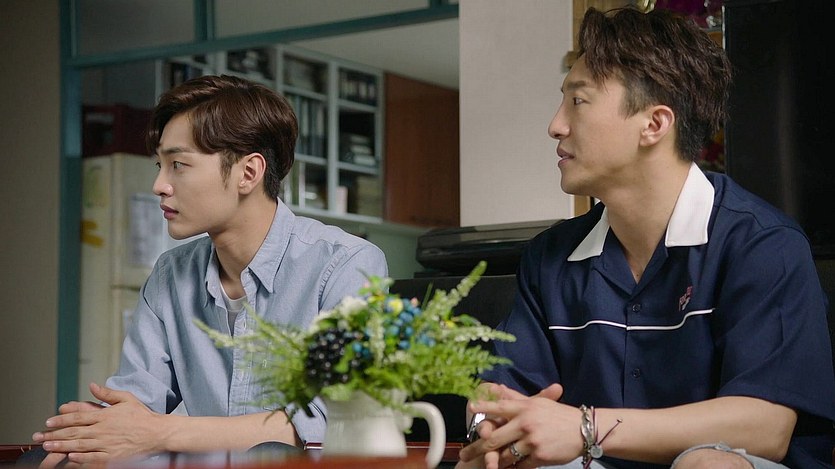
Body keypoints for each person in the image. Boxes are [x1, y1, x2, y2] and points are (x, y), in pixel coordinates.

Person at [457, 5, 835, 469]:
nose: (556, 125)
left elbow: (765, 429)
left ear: (654, 125)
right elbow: (500, 395)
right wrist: (490, 426)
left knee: (709, 465)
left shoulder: (764, 244)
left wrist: (585, 428)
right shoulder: (548, 257)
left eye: (578, 101)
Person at [32, 74, 388, 467]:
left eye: (178, 165)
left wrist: (161, 432)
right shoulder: (170, 274)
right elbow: (137, 404)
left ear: (248, 173)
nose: (159, 185)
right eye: (160, 165)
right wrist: (89, 434)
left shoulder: (346, 264)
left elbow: (334, 421)